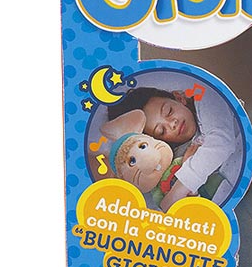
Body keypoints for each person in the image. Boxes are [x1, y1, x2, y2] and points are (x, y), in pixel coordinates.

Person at [103, 86, 244, 208]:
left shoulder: (205, 99)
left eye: (169, 111)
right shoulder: (174, 160)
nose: (172, 124)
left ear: (179, 98)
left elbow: (222, 142)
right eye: (161, 131)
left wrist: (175, 193)